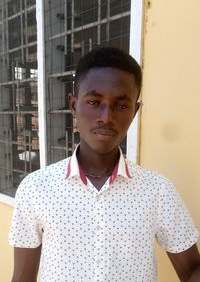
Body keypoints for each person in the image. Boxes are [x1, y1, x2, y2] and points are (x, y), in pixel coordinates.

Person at [9, 47, 200, 282]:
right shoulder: (36, 189)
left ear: (135, 111)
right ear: (73, 105)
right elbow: (22, 278)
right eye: (93, 101)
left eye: (121, 105)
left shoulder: (158, 190)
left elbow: (192, 270)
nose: (107, 117)